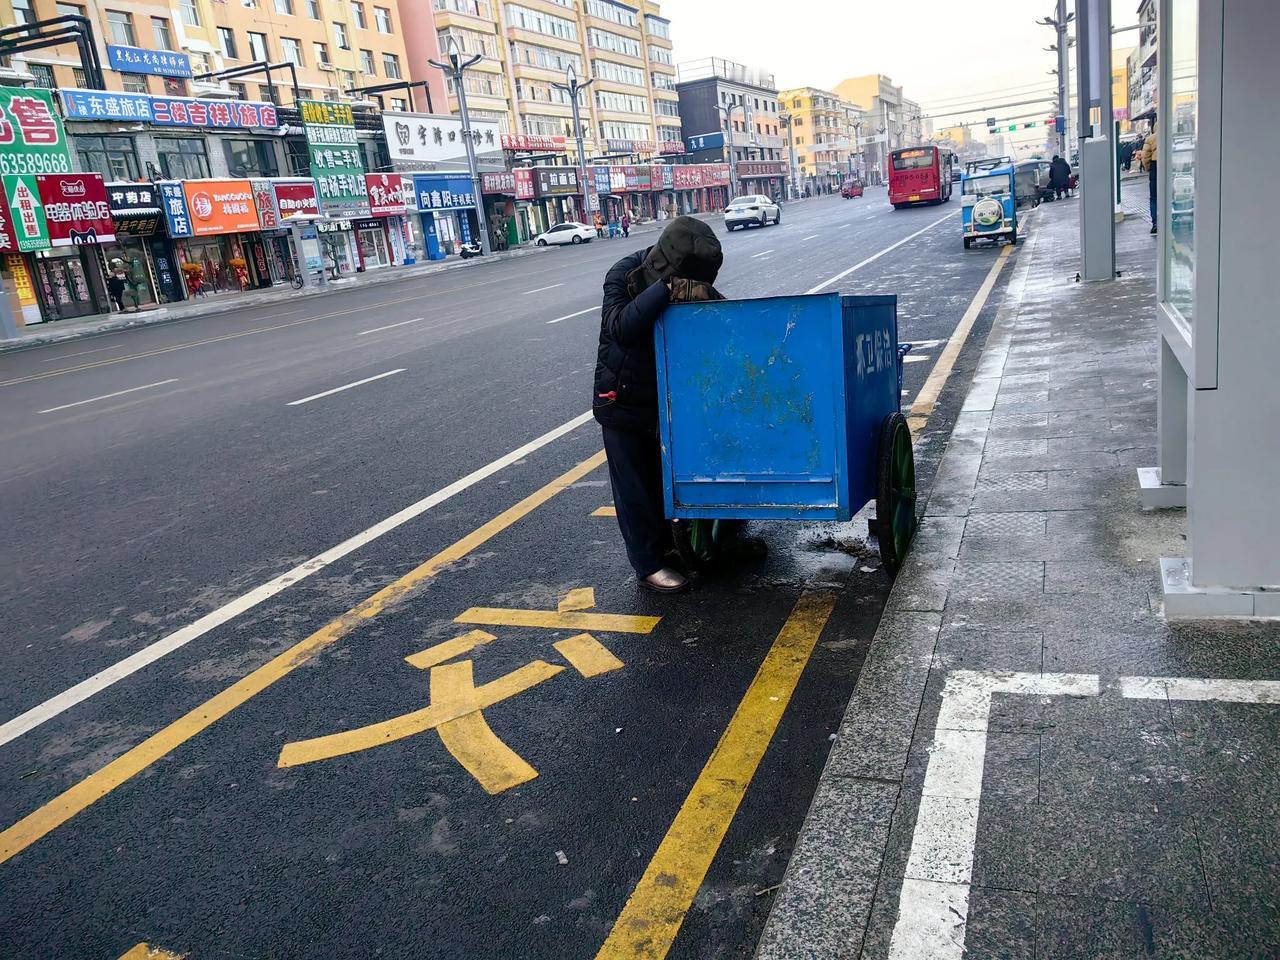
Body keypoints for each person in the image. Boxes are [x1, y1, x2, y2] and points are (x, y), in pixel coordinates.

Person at [593, 217, 724, 593]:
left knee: (669, 480)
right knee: (635, 487)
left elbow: (721, 320)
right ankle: (648, 564)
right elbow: (620, 326)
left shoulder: (692, 281)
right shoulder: (624, 273)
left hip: (669, 400)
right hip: (622, 397)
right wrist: (664, 291)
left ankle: (690, 546)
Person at [1140, 122, 1158, 233]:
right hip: (1170, 167)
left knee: (1154, 198)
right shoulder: (1171, 135)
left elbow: (1145, 157)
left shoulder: (1150, 139)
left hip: (1155, 167)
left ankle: (1156, 222)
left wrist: (1148, 168)